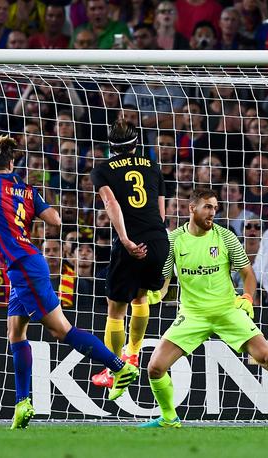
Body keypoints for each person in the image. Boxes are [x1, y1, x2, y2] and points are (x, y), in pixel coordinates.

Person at [0, 135, 138, 429]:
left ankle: (119, 366)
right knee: (15, 332)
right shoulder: (24, 188)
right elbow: (55, 220)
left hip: (24, 266)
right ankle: (23, 403)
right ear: (12, 163)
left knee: (61, 330)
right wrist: (25, 207)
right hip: (24, 264)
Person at [141, 188, 268, 428]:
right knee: (155, 368)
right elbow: (166, 279)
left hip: (227, 312)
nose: (213, 212)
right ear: (192, 208)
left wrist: (248, 297)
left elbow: (247, 273)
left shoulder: (225, 237)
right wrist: (154, 295)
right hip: (192, 315)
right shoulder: (174, 240)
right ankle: (169, 418)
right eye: (207, 207)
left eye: (215, 207)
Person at [89, 119, 168, 396]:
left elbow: (111, 203)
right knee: (141, 296)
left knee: (115, 308)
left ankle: (115, 368)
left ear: (110, 146)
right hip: (158, 239)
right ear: (136, 145)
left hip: (130, 240)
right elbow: (161, 211)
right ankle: (133, 354)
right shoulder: (153, 166)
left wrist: (125, 239)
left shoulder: (102, 170)